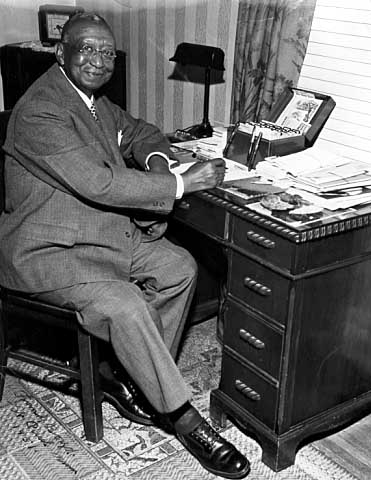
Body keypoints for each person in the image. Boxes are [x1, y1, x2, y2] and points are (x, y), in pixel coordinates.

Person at [0, 12, 250, 479]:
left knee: (179, 267)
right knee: (128, 305)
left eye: (106, 52)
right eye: (86, 49)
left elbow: (139, 132)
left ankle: (131, 376)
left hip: (98, 233)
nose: (98, 60)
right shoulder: (40, 110)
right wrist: (178, 184)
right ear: (62, 52)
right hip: (51, 250)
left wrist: (157, 161)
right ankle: (181, 416)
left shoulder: (93, 101)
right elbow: (98, 182)